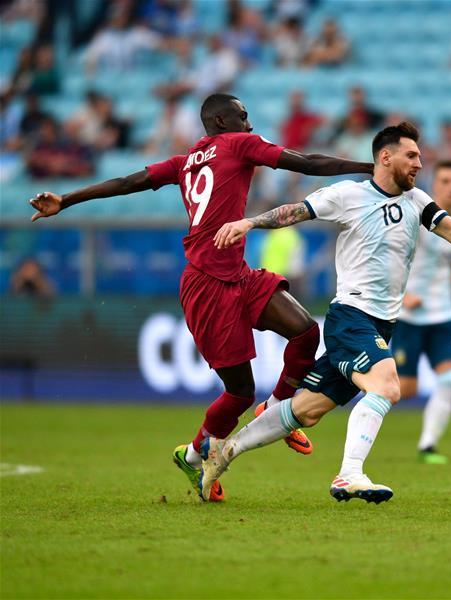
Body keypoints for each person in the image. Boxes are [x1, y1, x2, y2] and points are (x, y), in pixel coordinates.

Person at [27, 94, 374, 503]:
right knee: (239, 391)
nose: (250, 121)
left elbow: (126, 183)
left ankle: (278, 409)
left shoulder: (184, 161)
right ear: (221, 120)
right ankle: (192, 456)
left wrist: (67, 200)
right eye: (243, 115)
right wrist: (371, 169)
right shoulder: (240, 144)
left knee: (303, 333)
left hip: (239, 274)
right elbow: (308, 163)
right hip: (208, 283)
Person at [200, 122, 451, 503]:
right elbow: (296, 212)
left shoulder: (418, 202)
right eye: (411, 156)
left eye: (421, 158)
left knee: (306, 411)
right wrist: (250, 222)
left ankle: (223, 453)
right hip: (351, 316)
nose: (418, 164)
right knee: (387, 385)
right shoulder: (348, 195)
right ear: (385, 157)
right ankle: (349, 475)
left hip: (381, 324)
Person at [391, 160, 451, 464]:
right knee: (404, 390)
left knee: (448, 379)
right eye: (445, 180)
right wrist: (402, 295)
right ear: (435, 183)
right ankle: (360, 404)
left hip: (442, 315)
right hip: (409, 318)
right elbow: (389, 259)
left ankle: (427, 446)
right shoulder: (416, 215)